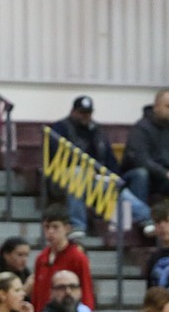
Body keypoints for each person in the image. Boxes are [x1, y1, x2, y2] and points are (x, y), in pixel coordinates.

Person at [50, 95, 155, 238]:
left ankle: (147, 218)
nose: (85, 116)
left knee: (119, 189)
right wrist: (85, 170)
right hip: (66, 179)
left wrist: (114, 177)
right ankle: (78, 225)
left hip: (96, 179)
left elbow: (109, 158)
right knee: (76, 172)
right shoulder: (60, 128)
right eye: (82, 112)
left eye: (88, 112)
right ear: (73, 111)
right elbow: (55, 156)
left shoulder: (97, 130)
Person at [123, 89, 169, 218]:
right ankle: (143, 220)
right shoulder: (141, 128)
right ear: (156, 107)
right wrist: (167, 174)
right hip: (146, 177)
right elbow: (141, 159)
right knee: (141, 174)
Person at [30, 204, 95, 312]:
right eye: (46, 227)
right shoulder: (41, 258)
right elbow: (36, 296)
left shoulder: (78, 258)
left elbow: (86, 293)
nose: (50, 231)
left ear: (67, 228)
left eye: (55, 227)